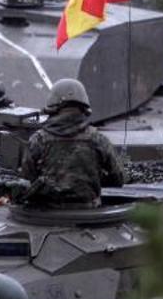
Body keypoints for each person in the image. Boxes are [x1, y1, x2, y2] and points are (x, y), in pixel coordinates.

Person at [19, 78, 125, 208]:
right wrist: (90, 179)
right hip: (88, 213)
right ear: (84, 108)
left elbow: (26, 179)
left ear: (53, 107)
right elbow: (118, 179)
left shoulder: (38, 140)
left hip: (48, 213)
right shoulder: (98, 139)